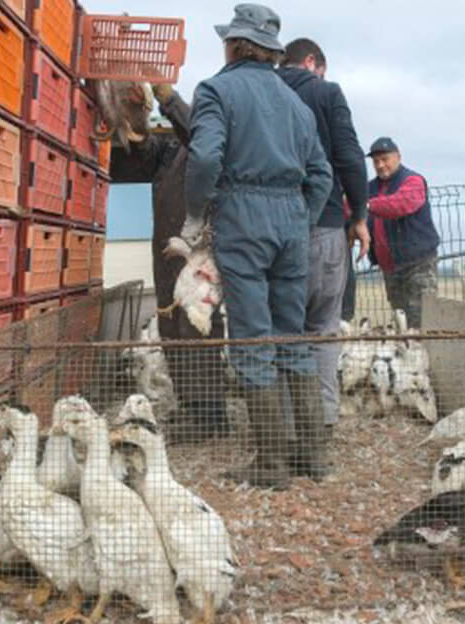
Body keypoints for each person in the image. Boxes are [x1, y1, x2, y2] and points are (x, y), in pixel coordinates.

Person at [184, 4, 333, 489]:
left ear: (233, 45)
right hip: (291, 218)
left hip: (244, 216)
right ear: (269, 51)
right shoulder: (297, 105)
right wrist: (301, 219)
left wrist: (195, 212)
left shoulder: (215, 90)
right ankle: (313, 459)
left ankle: (271, 466)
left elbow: (205, 156)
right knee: (293, 333)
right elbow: (323, 175)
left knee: (252, 337)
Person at [108, 83, 229, 441]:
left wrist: (168, 96)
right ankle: (191, 405)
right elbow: (134, 162)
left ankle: (211, 416)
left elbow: (197, 131)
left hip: (197, 254)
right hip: (165, 253)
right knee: (171, 325)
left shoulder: (207, 142)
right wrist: (131, 119)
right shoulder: (172, 149)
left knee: (198, 326)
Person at [276, 37, 369, 476]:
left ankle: (285, 433)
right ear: (314, 63)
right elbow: (350, 157)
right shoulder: (326, 92)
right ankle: (321, 430)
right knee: (324, 328)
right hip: (325, 226)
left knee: (282, 331)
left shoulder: (265, 89)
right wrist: (360, 214)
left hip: (271, 228)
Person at [364, 137, 440, 328]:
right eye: (376, 161)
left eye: (385, 159)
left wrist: (364, 205)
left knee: (421, 320)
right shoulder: (370, 188)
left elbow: (400, 204)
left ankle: (422, 357)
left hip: (417, 265)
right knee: (401, 322)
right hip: (390, 268)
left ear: (398, 157)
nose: (380, 165)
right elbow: (349, 209)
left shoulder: (413, 181)